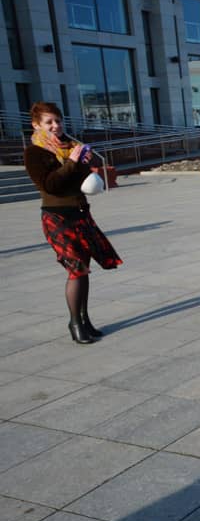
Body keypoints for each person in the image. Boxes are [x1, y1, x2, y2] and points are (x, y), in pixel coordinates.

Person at [24, 102, 121, 344]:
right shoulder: (35, 153)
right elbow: (50, 185)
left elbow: (81, 179)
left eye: (58, 121)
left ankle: (85, 319)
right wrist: (73, 163)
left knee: (84, 269)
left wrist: (85, 165)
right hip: (57, 217)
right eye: (49, 122)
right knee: (76, 269)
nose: (56, 126)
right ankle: (75, 324)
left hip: (80, 214)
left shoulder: (72, 146)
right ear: (36, 125)